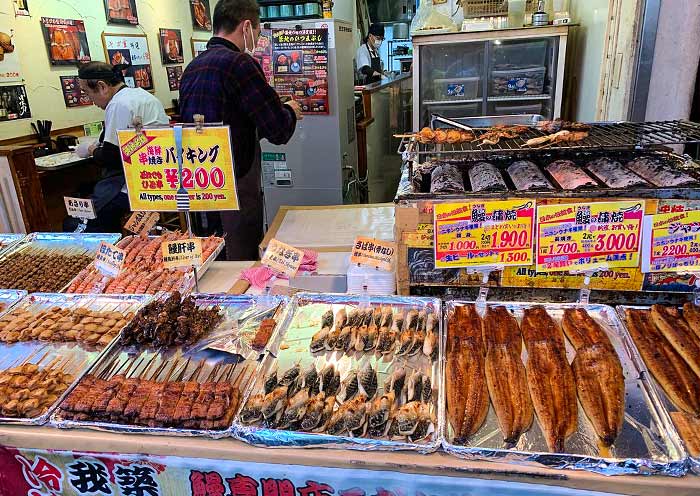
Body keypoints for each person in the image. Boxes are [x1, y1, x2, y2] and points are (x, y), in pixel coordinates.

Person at [179, 0, 302, 261]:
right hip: (235, 190)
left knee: (210, 263)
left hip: (200, 188)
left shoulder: (192, 68)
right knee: (241, 266)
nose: (257, 38)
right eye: (257, 32)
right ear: (246, 26)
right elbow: (278, 129)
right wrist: (290, 110)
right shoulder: (240, 64)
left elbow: (228, 124)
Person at [67, 62, 169, 233]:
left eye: (87, 93)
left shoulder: (118, 104)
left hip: (134, 187)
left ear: (102, 86)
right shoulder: (143, 96)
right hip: (159, 178)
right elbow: (136, 143)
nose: (91, 101)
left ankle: (108, 251)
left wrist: (91, 150)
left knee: (76, 223)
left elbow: (111, 157)